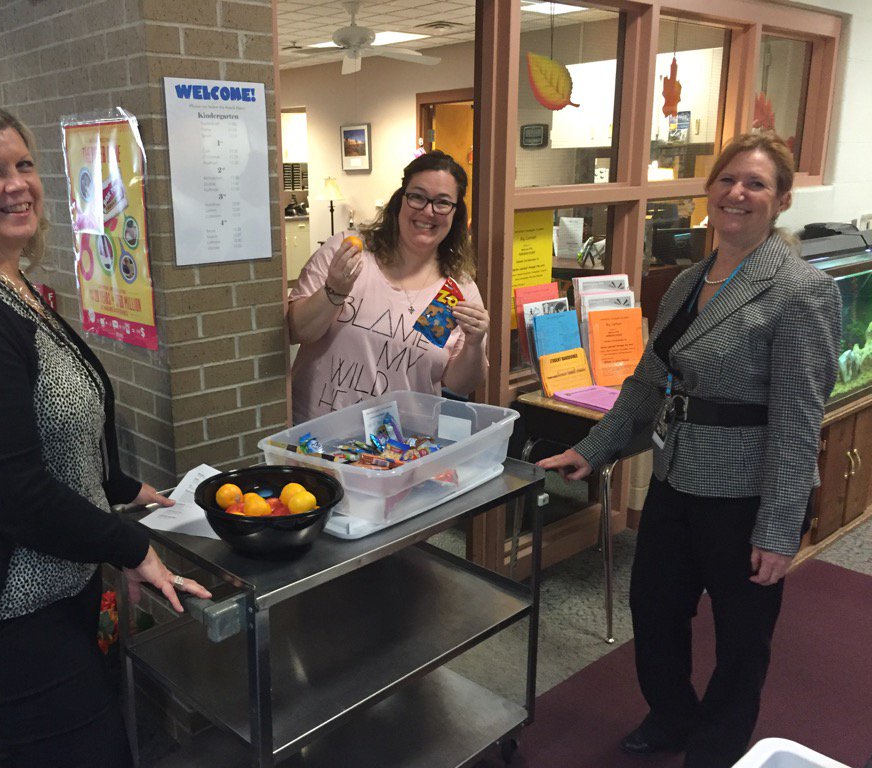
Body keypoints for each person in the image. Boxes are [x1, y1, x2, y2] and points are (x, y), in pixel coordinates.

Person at [0, 98, 210, 767]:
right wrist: (129, 545)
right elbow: (8, 486)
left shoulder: (7, 283)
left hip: (51, 589)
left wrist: (122, 486)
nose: (17, 183)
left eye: (24, 164)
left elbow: (48, 423)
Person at [537, 131, 841, 768]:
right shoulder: (687, 281)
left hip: (746, 494)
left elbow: (797, 421)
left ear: (781, 199)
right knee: (655, 609)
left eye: (755, 184)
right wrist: (593, 450)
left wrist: (781, 530)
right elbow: (649, 380)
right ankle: (672, 715)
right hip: (674, 476)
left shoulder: (800, 290)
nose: (737, 193)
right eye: (728, 180)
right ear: (710, 190)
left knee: (740, 637)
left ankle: (717, 745)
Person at [287, 150, 490, 424]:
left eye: (442, 203)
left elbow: (459, 384)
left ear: (455, 213)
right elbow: (296, 331)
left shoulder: (459, 289)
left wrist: (475, 344)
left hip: (402, 448)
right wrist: (333, 291)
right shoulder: (348, 251)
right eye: (417, 196)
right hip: (316, 439)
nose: (428, 211)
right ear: (400, 200)